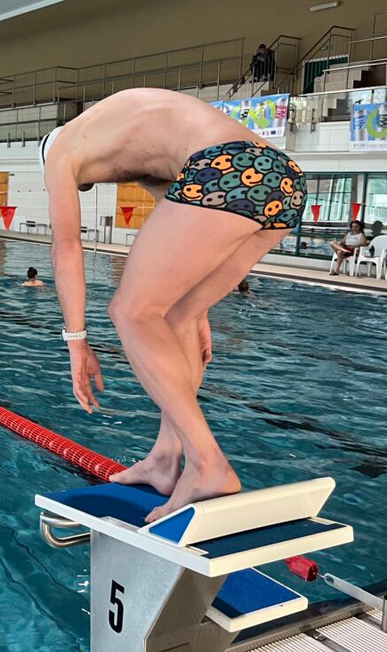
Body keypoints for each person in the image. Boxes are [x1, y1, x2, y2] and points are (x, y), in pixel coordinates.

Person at [40, 88, 307, 522]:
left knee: (130, 311)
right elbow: (192, 239)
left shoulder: (61, 147)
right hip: (283, 180)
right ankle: (165, 458)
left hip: (230, 167)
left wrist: (77, 342)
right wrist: (197, 310)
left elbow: (66, 248)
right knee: (173, 315)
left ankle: (208, 464)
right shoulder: (140, 146)